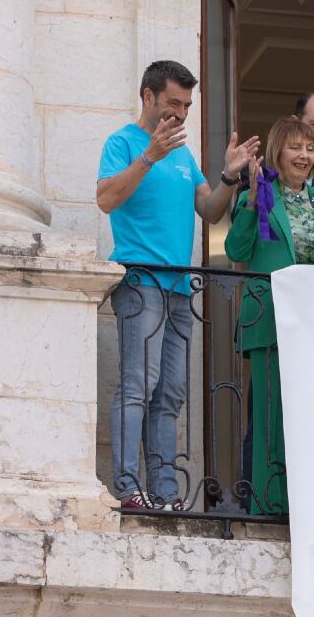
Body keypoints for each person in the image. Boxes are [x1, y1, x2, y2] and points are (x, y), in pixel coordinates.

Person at [96, 59, 260, 511]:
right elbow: (106, 199)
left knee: (170, 394)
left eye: (187, 105)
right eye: (173, 103)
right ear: (147, 96)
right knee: (138, 386)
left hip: (181, 290)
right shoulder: (123, 142)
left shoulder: (184, 155)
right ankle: (130, 487)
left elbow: (209, 211)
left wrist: (228, 176)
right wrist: (148, 156)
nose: (182, 114)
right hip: (141, 283)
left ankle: (166, 493)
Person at [225, 116, 314, 514]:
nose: (304, 155)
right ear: (276, 152)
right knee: (271, 416)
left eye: (308, 148)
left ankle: (313, 507)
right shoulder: (262, 193)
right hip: (272, 320)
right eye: (295, 147)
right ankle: (269, 508)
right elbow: (237, 249)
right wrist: (251, 198)